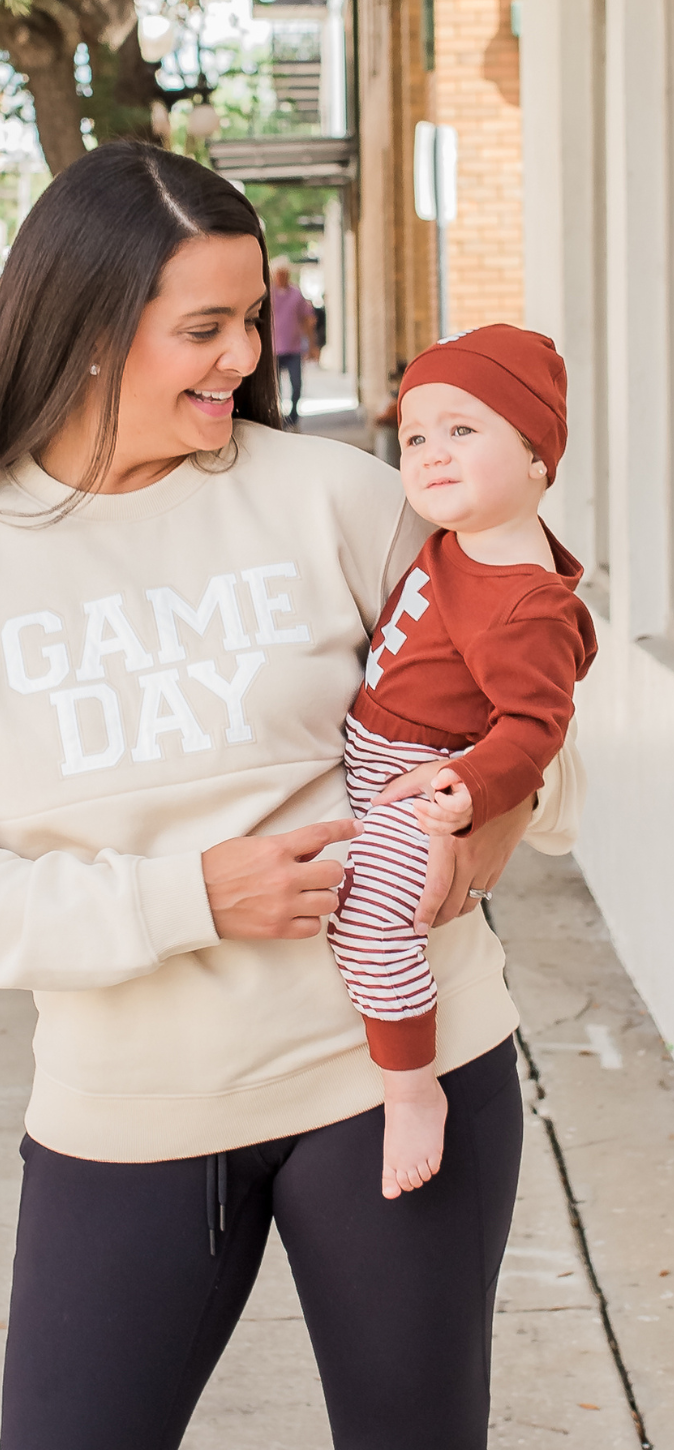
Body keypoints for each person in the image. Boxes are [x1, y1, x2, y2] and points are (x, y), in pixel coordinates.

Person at [0, 144, 583, 1450]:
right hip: (132, 1108)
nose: (245, 354)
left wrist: (484, 829)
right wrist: (193, 892)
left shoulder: (335, 497)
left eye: (252, 316)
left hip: (400, 1071)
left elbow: (529, 713)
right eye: (204, 327)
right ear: (83, 326)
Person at [327, 325, 597, 1204]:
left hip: (423, 779)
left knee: (373, 923)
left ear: (536, 460)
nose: (432, 455)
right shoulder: (460, 542)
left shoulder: (524, 602)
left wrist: (464, 793)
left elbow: (535, 726)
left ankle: (410, 1088)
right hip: (371, 757)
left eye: (464, 431)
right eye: (415, 437)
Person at [270, 254, 318, 428]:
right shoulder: (268, 294)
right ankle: (279, 418)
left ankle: (293, 417)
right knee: (276, 390)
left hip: (293, 348)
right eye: (278, 273)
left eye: (284, 273)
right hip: (273, 349)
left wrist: (312, 346)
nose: (281, 276)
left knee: (296, 385)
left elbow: (307, 320)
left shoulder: (296, 294)